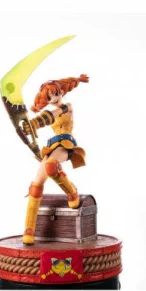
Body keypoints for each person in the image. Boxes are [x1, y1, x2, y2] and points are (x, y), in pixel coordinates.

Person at [22, 74, 89, 244]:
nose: (55, 98)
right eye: (50, 97)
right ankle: (29, 229)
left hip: (66, 145)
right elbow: (47, 116)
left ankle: (72, 192)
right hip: (52, 147)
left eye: (56, 93)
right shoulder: (50, 110)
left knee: (52, 166)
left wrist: (35, 123)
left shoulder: (67, 107)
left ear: (62, 92)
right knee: (36, 185)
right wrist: (29, 127)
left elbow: (52, 115)